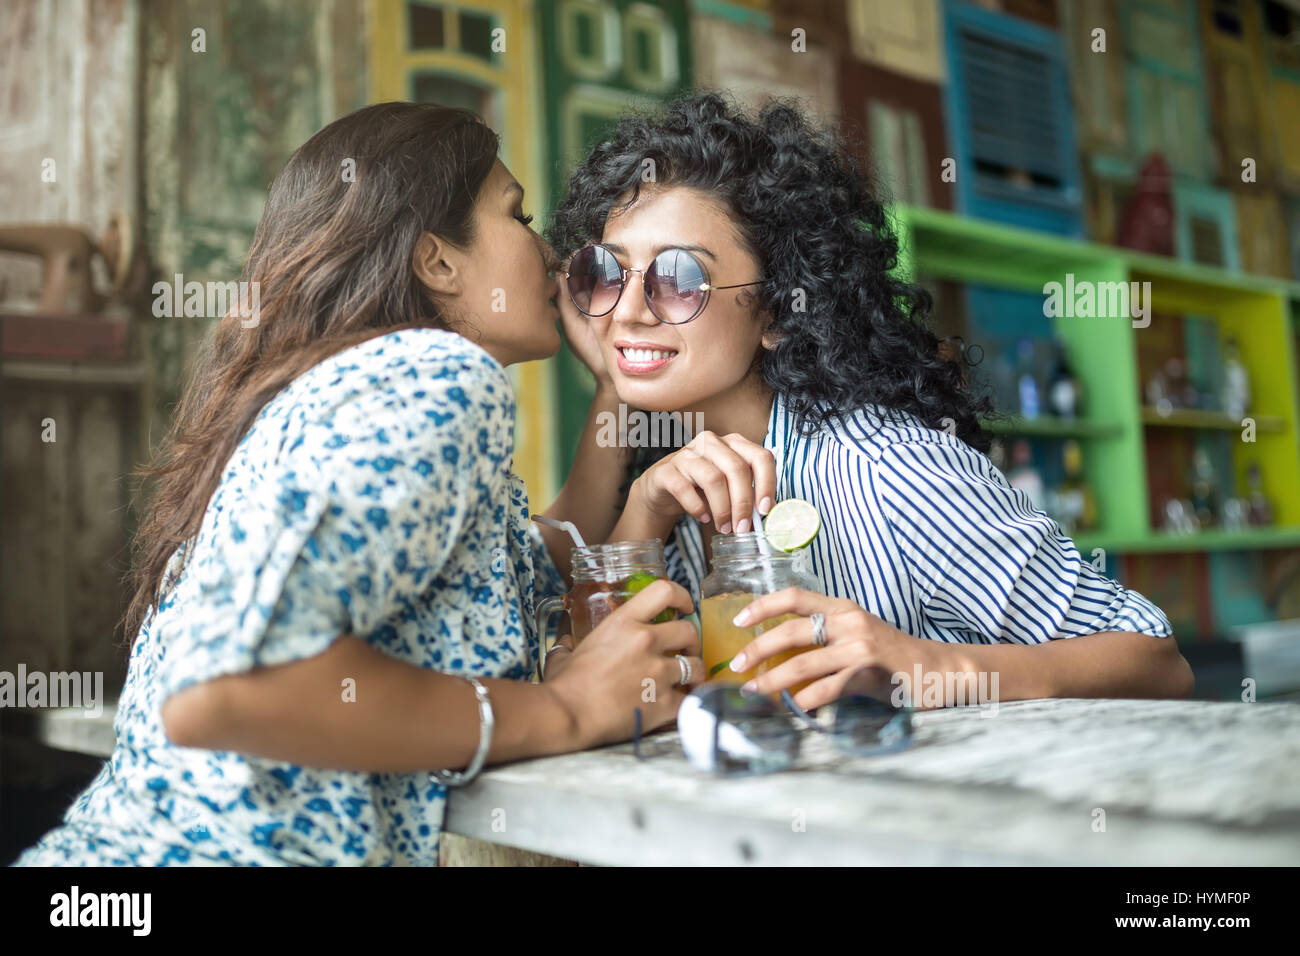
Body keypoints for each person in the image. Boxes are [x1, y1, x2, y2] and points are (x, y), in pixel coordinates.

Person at [13, 102, 702, 867]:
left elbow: (518, 562)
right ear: (437, 260)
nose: (552, 257)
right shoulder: (434, 377)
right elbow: (234, 692)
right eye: (520, 216)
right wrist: (567, 710)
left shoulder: (336, 397)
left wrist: (615, 388)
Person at [547, 92, 1193, 709]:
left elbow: (1159, 663)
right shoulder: (671, 489)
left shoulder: (888, 471)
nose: (627, 311)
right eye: (605, 271)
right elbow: (591, 688)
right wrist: (644, 512)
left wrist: (934, 667)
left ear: (775, 311)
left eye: (680, 277)